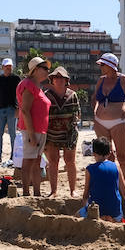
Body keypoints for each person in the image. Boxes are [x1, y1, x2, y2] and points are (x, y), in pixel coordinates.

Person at [92, 52, 125, 192]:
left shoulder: (123, 79)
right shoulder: (101, 80)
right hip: (100, 123)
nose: (101, 67)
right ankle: (111, 188)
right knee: (106, 157)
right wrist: (95, 112)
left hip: (119, 122)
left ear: (111, 66)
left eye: (102, 65)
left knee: (123, 157)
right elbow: (94, 98)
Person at [81, 136, 125, 221]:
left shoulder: (90, 169)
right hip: (115, 213)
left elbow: (86, 194)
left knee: (77, 215)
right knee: (119, 215)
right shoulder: (116, 167)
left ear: (93, 153)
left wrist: (85, 208)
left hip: (97, 213)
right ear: (109, 153)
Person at [16, 56, 52, 196]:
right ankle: (26, 193)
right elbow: (25, 110)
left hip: (38, 129)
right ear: (36, 70)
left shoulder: (35, 86)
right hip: (32, 129)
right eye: (45, 69)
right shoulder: (28, 84)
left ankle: (36, 193)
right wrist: (31, 135)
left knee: (36, 162)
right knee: (29, 161)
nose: (48, 72)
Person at [43, 66, 80, 197]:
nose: (58, 80)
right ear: (52, 80)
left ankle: (72, 190)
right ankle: (53, 191)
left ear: (66, 80)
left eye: (61, 78)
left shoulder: (73, 95)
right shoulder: (46, 95)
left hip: (69, 133)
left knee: (70, 161)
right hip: (51, 134)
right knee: (53, 161)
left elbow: (77, 115)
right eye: (56, 78)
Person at [0, 58, 20, 165]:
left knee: (13, 134)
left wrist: (19, 108)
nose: (9, 68)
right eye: (7, 66)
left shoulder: (16, 78)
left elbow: (20, 93)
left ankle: (13, 156)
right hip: (1, 109)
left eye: (10, 66)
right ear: (2, 67)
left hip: (12, 108)